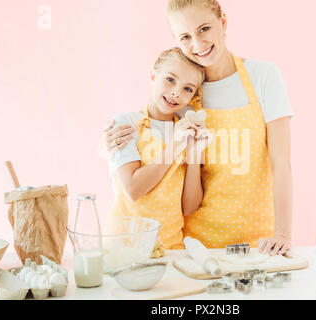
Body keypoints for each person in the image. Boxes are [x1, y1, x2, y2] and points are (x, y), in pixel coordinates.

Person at [103, 0, 294, 255]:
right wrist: (107, 144)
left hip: (256, 240)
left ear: (222, 22)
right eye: (185, 36)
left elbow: (280, 163)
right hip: (195, 245)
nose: (198, 44)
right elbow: (153, 130)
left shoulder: (263, 76)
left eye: (204, 29)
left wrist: (282, 233)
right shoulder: (185, 91)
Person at [105, 47, 212, 249]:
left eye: (187, 89)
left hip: (170, 248)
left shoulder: (186, 130)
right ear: (153, 76)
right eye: (170, 80)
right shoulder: (126, 124)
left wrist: (194, 152)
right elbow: (133, 189)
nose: (176, 92)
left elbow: (189, 207)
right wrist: (175, 145)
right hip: (125, 248)